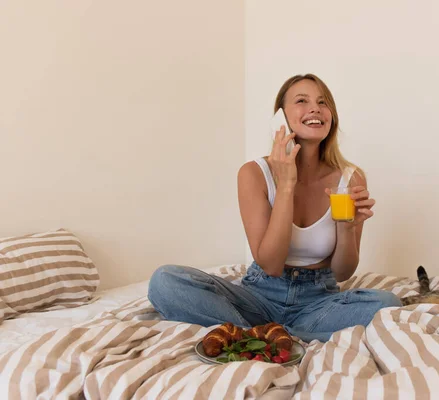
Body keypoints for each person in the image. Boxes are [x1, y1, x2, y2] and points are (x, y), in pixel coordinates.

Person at [148, 74, 402, 343]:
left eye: (323, 102)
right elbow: (269, 264)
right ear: (279, 118)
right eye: (302, 101)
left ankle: (265, 336)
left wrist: (347, 227)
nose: (315, 108)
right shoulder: (254, 173)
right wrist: (286, 186)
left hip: (317, 301)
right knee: (165, 281)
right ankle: (288, 337)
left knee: (388, 302)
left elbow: (342, 272)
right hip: (258, 297)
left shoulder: (350, 179)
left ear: (332, 116)